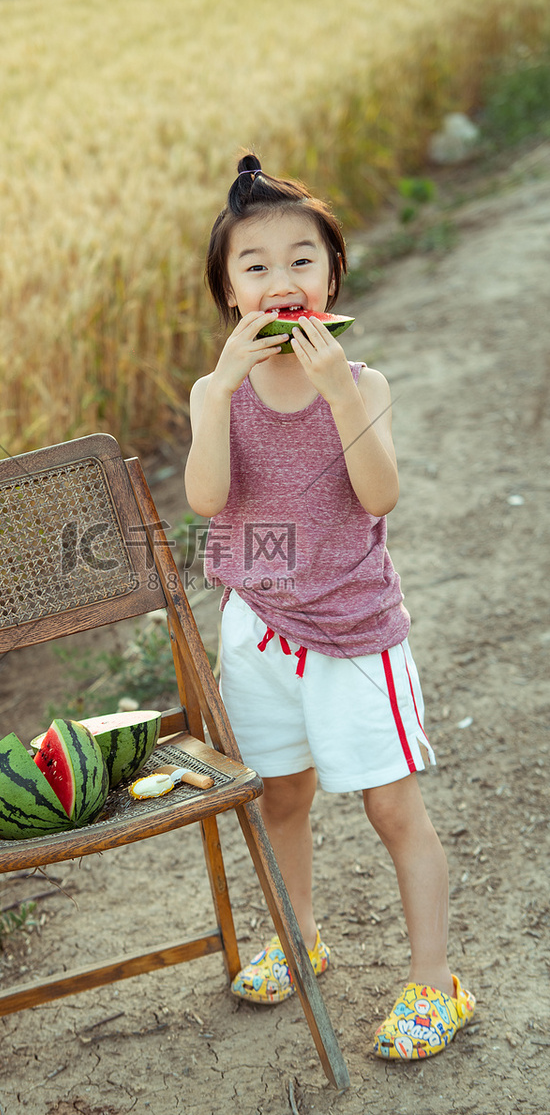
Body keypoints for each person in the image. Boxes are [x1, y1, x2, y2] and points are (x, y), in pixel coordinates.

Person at [184, 153, 474, 1059]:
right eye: (256, 266)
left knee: (392, 809)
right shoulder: (214, 394)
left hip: (351, 634)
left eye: (301, 260)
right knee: (282, 796)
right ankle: (299, 930)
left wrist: (342, 390)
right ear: (230, 293)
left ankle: (436, 983)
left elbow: (379, 495)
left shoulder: (365, 383)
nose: (281, 281)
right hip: (257, 629)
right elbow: (205, 498)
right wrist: (223, 389)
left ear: (333, 274)